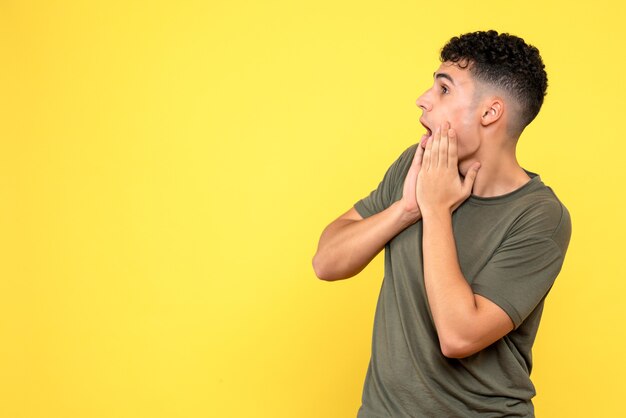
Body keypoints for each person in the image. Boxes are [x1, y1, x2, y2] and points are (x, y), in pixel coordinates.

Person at [312, 30, 571, 417]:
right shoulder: (417, 165)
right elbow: (326, 264)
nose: (423, 99)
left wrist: (434, 210)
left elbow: (459, 336)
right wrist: (405, 208)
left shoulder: (540, 217)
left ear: (490, 113)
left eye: (444, 89)